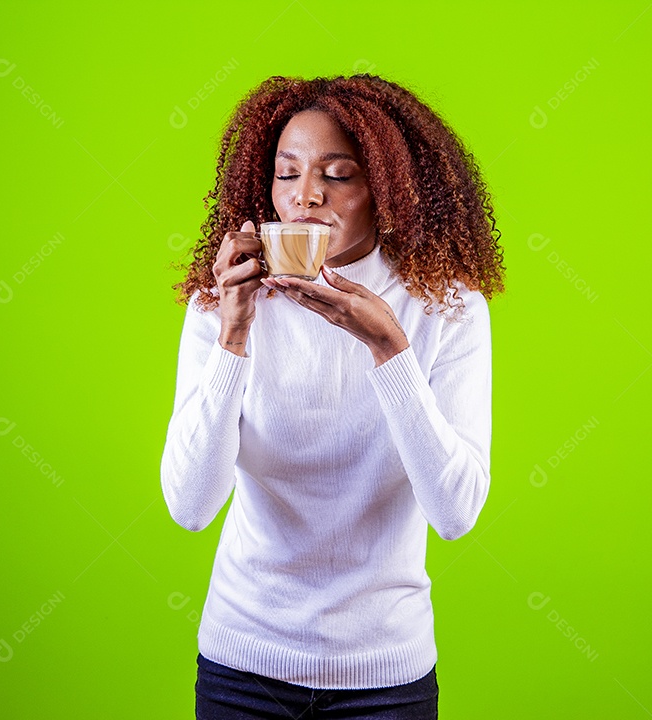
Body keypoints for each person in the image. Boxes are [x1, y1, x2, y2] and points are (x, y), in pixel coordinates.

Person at [160, 73, 506, 719]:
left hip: (385, 675)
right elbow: (190, 506)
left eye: (338, 174)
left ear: (389, 189)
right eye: (287, 174)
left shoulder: (447, 307)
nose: (307, 196)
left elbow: (455, 514)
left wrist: (389, 350)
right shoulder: (222, 302)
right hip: (244, 665)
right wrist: (234, 332)